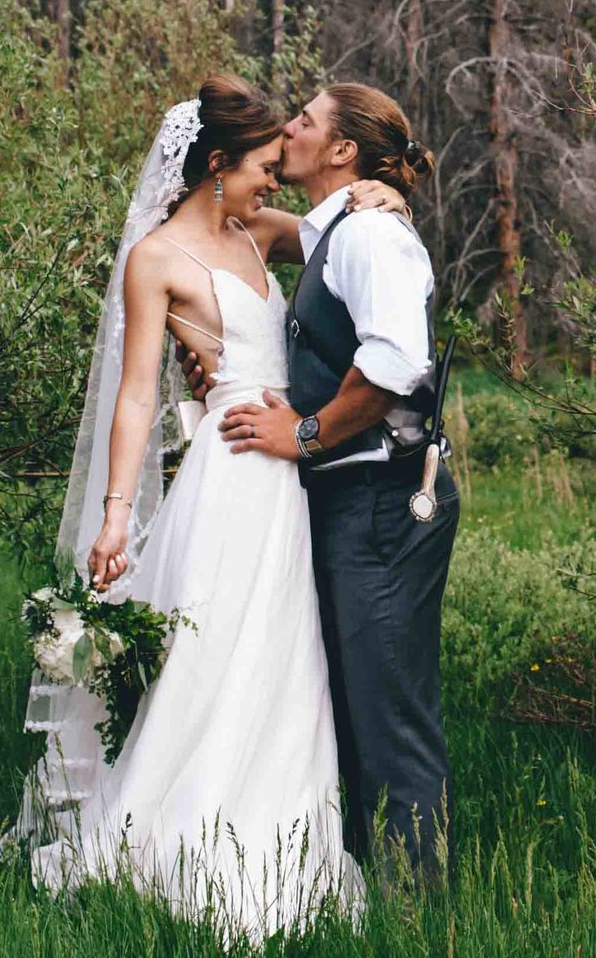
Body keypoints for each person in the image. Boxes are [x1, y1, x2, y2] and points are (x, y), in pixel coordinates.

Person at [6, 77, 411, 940]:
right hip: (228, 480)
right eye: (263, 166)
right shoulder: (154, 260)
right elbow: (134, 396)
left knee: (283, 659)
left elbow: (355, 242)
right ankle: (175, 846)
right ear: (216, 166)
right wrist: (116, 517)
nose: (274, 180)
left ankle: (282, 846)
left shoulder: (261, 231)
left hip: (288, 476)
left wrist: (384, 188)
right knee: (211, 661)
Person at [209, 83, 455, 885]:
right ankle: (368, 881)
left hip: (386, 498)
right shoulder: (338, 229)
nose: (291, 128)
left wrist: (303, 432)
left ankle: (417, 908)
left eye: (306, 121)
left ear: (344, 150)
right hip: (353, 495)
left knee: (388, 713)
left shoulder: (371, 236)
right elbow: (241, 226)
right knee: (354, 706)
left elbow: (391, 365)